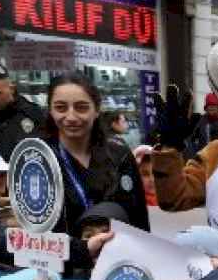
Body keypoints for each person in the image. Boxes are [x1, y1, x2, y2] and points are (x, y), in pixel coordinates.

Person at [45, 73, 150, 240]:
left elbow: (139, 220)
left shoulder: (120, 155)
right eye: (61, 107)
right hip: (64, 263)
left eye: (81, 107)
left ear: (96, 109)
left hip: (118, 259)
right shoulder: (39, 160)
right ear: (50, 110)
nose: (71, 117)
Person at [184, 92, 218, 158]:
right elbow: (193, 137)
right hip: (203, 157)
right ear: (206, 108)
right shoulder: (203, 120)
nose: (211, 107)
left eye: (214, 105)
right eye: (209, 105)